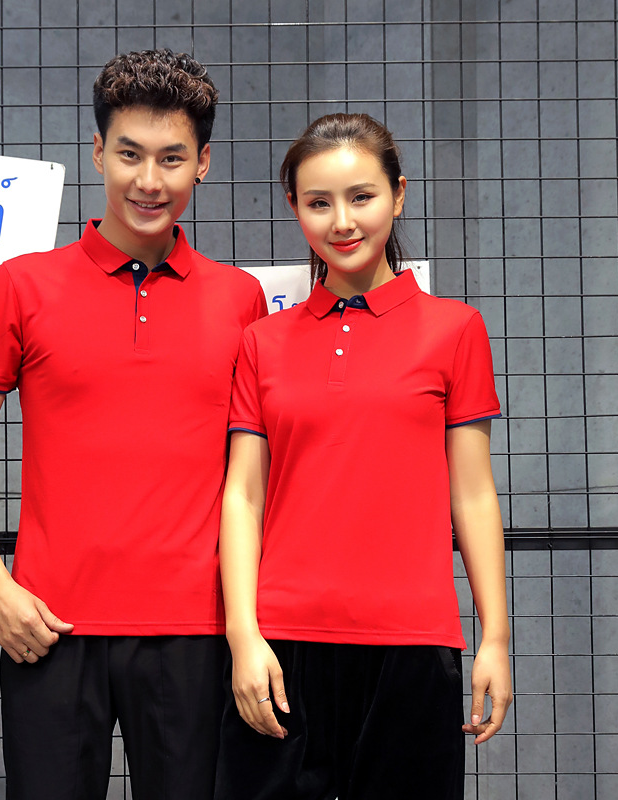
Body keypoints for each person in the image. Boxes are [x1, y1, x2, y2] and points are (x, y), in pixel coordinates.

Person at [0, 49, 267, 800]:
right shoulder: (23, 285)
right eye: (129, 154)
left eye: (172, 158)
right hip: (49, 627)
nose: (149, 180)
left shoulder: (240, 299)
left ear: (203, 163)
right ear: (97, 152)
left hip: (194, 632)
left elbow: (254, 478)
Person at [214, 113, 512, 800]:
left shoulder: (456, 330)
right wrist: (243, 637)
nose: (342, 221)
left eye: (362, 197)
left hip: (412, 647)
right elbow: (243, 496)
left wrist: (494, 637)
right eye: (319, 202)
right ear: (295, 207)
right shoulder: (261, 342)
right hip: (282, 648)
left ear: (398, 196)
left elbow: (473, 495)